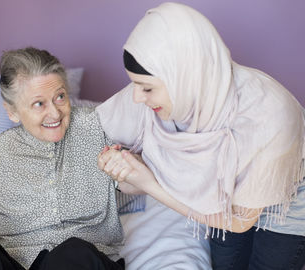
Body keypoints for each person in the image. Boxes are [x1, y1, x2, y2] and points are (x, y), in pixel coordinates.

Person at [96, 2, 305, 270]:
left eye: (146, 88)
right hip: (222, 191)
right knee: (225, 265)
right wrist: (116, 161)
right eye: (134, 84)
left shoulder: (268, 113)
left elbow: (240, 221)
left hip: (285, 204)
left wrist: (148, 183)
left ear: (184, 78)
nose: (137, 97)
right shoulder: (161, 93)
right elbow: (94, 128)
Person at [0, 47, 125, 270]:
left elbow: (139, 164)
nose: (54, 113)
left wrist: (129, 168)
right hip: (15, 263)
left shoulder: (98, 126)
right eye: (39, 104)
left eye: (60, 97)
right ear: (12, 112)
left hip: (81, 263)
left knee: (72, 253)